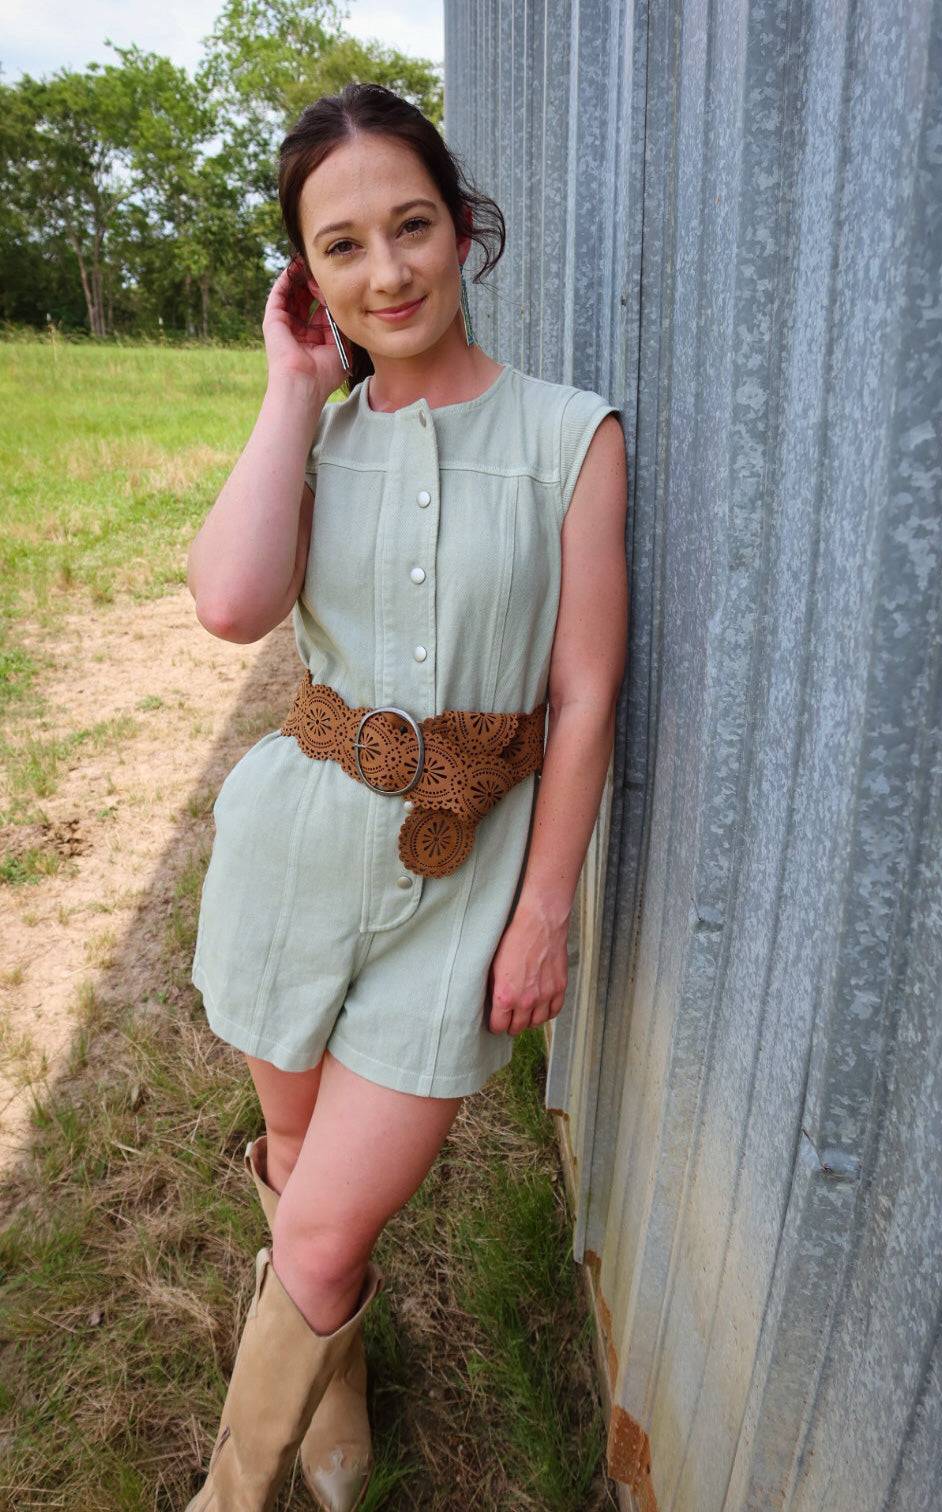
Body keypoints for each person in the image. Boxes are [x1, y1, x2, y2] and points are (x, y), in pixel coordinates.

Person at [184, 81, 627, 1510]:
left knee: (322, 1231)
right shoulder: (314, 438)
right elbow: (231, 605)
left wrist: (543, 911)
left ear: (463, 226)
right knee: (297, 1158)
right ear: (305, 279)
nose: (387, 271)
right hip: (297, 851)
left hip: (462, 883)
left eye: (412, 225)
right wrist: (289, 393)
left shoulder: (572, 436)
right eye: (342, 247)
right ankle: (334, 1379)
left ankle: (229, 1490)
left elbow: (583, 698)